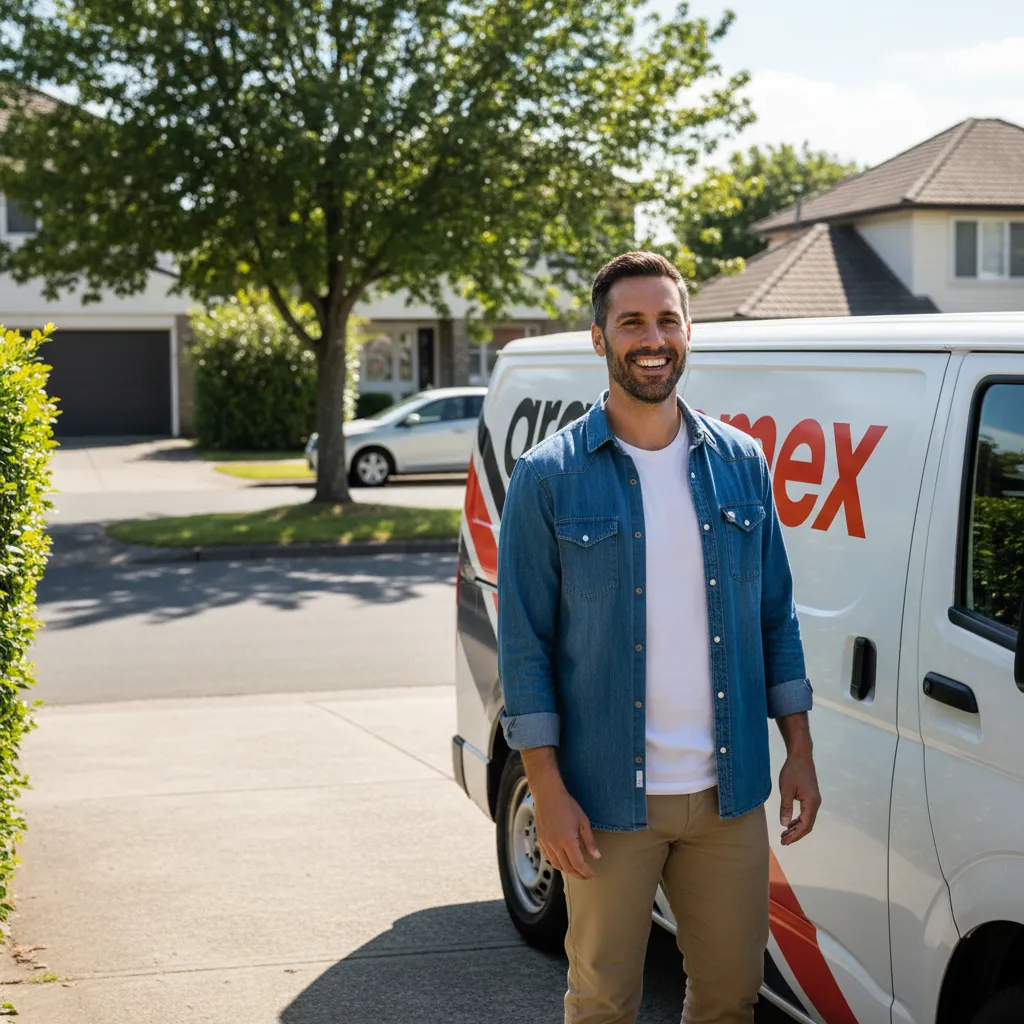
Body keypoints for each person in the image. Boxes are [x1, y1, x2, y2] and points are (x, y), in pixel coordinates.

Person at [496, 251, 820, 1024]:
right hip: (606, 799)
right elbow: (525, 647)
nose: (652, 337)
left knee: (730, 997)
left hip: (728, 795)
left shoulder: (741, 464)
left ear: (687, 332)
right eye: (632, 321)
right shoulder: (548, 478)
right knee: (604, 1000)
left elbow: (776, 613)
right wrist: (546, 789)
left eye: (667, 320)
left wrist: (799, 751)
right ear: (599, 338)